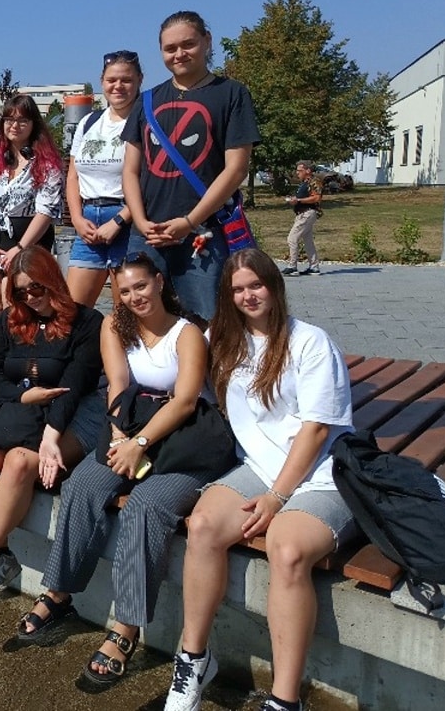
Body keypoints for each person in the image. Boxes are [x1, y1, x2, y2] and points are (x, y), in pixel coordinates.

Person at [162, 249, 355, 711]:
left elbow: (317, 430)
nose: (248, 296)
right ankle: (194, 659)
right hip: (259, 467)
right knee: (203, 526)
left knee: (286, 549)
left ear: (274, 286)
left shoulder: (309, 342)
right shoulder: (222, 339)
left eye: (256, 285)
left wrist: (277, 497)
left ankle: (285, 700)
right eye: (237, 289)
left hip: (321, 473)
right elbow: (178, 377)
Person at [19, 253, 217, 690]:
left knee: (145, 504)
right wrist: (117, 435)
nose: (133, 297)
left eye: (141, 286)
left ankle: (126, 626)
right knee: (83, 484)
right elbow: (118, 386)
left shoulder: (187, 334)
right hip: (132, 427)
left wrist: (139, 444)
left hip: (183, 442)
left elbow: (186, 401)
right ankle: (59, 592)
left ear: (160, 282)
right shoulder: (115, 326)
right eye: (124, 291)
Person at [0, 246, 104, 613]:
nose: (31, 298)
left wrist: (51, 433)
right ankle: (2, 557)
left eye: (36, 287)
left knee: (19, 461)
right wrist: (22, 396)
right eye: (20, 292)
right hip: (22, 407)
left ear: (52, 280)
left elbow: (74, 386)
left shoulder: (87, 322)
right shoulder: (11, 319)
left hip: (71, 414)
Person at [122, 11, 261, 324]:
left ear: (207, 41)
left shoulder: (232, 93)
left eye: (188, 44)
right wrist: (141, 222)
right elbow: (130, 170)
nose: (179, 54)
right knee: (141, 319)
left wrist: (189, 221)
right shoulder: (147, 101)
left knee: (207, 319)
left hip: (202, 232)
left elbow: (236, 169)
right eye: (170, 48)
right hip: (149, 233)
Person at [66, 51, 142, 308]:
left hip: (127, 222)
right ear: (102, 82)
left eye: (126, 80)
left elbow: (149, 182)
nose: (118, 86)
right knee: (71, 311)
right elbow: (73, 175)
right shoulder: (89, 122)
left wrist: (119, 220)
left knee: (127, 312)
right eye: (111, 80)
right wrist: (77, 219)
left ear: (139, 80)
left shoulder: (145, 122)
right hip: (88, 221)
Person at [0, 94, 64, 299]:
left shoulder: (47, 165)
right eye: (9, 119)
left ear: (33, 124)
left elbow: (46, 212)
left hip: (29, 244)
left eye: (23, 120)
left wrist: (20, 249)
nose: (15, 125)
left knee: (19, 306)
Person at [282, 161, 322, 277]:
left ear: (308, 170)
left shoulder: (315, 182)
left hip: (307, 213)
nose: (297, 173)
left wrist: (299, 200)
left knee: (292, 238)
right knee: (308, 241)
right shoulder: (304, 183)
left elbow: (316, 198)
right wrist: (294, 200)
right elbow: (303, 197)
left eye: (300, 170)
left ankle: (292, 266)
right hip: (301, 214)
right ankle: (314, 267)